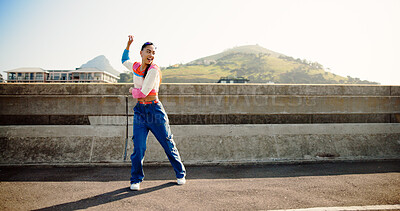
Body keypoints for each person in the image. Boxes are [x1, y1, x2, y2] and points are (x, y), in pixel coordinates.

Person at [122, 35, 186, 191]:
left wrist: (132, 90)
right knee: (139, 148)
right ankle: (136, 179)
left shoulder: (154, 70)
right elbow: (124, 60)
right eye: (148, 52)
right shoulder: (136, 67)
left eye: (153, 53)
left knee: (167, 143)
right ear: (141, 53)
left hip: (154, 111)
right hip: (140, 112)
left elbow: (143, 92)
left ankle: (180, 173)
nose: (151, 55)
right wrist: (128, 45)